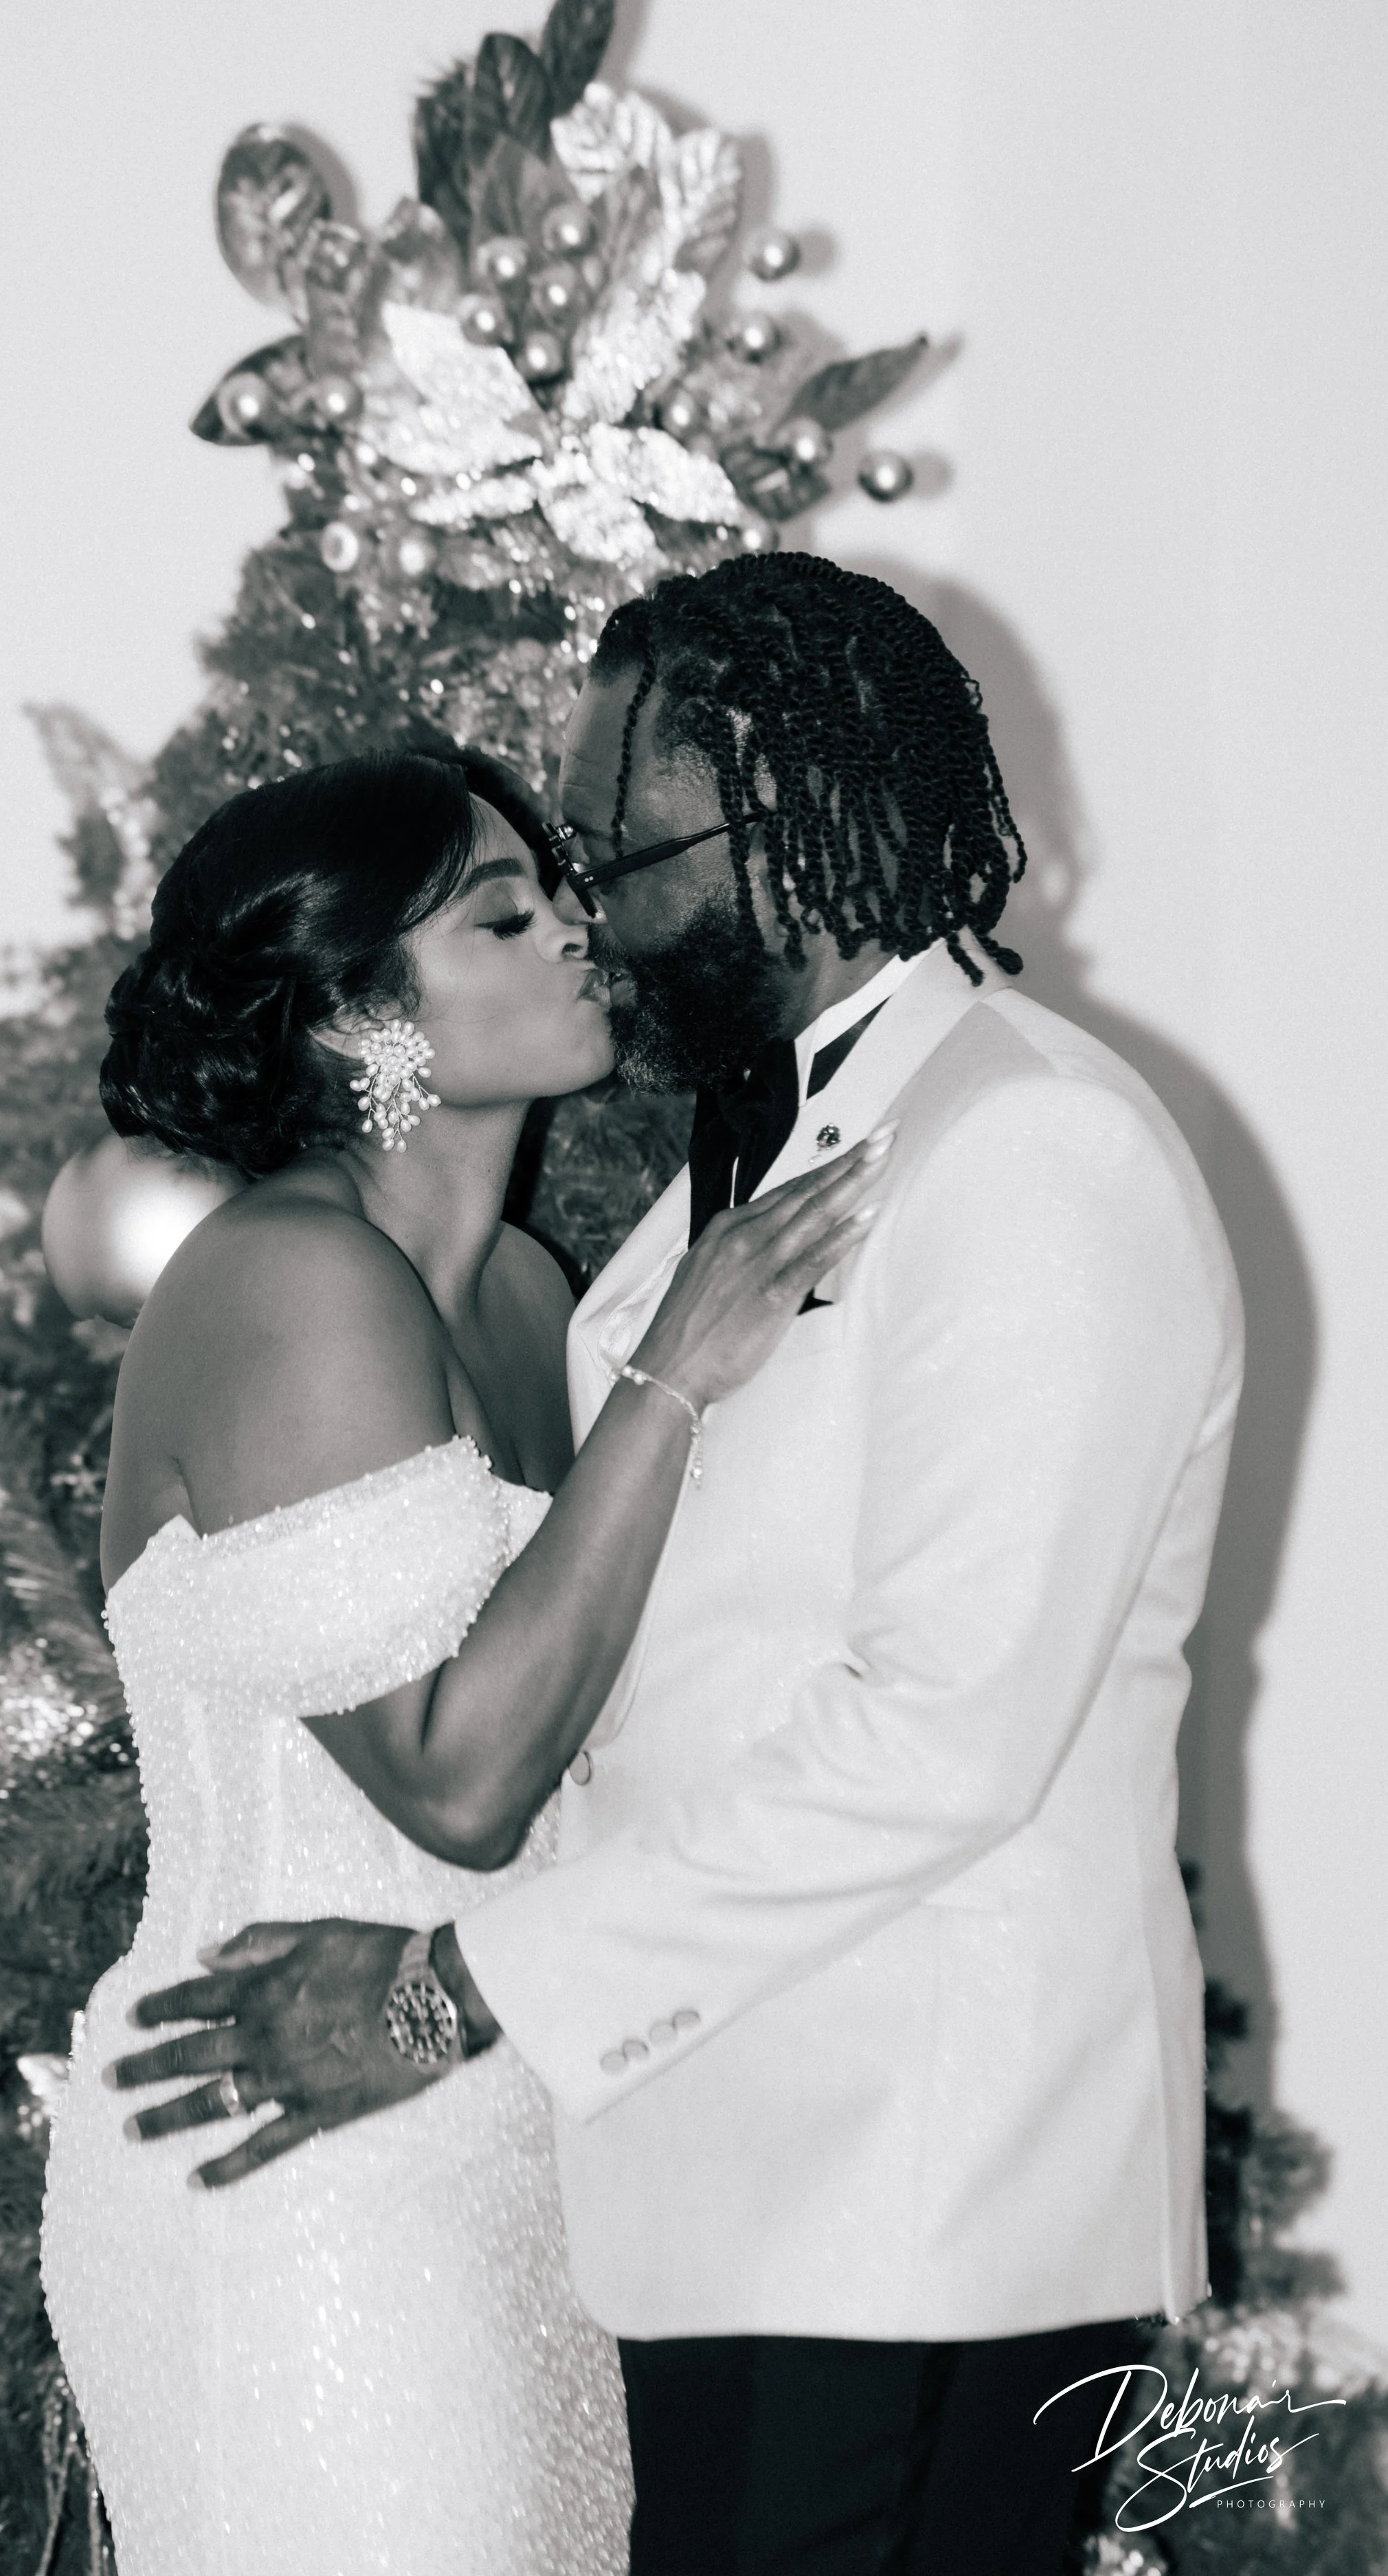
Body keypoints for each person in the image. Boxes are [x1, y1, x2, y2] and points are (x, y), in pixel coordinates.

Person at [116, 554, 1246, 2575]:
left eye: (617, 852)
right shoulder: (664, 1235)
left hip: (913, 2197)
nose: (596, 917)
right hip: (678, 2190)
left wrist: (460, 1997)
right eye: (530, 889)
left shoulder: (1026, 1148)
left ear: (778, 836)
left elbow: (940, 1736)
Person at [38, 738, 882, 2576]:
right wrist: (681, 1366)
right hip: (284, 2159)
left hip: (510, 2138)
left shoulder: (513, 1289)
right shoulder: (284, 1274)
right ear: (355, 1017)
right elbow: (458, 1772)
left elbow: (599, 1703)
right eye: (504, 913)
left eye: (556, 889)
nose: (578, 926)